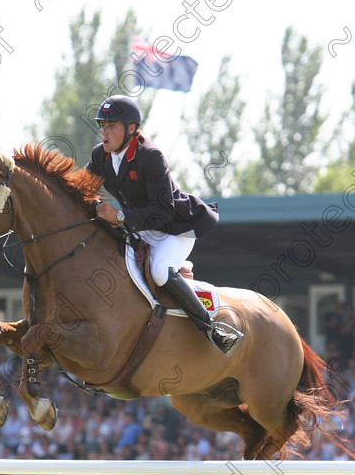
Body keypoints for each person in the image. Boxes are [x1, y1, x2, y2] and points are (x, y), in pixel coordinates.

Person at [86, 95, 243, 356]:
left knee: (159, 271)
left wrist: (121, 217)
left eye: (112, 125)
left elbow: (163, 211)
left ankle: (212, 328)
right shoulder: (99, 155)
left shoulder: (150, 155)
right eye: (102, 125)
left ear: (131, 129)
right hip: (139, 228)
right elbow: (83, 186)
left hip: (173, 228)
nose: (104, 131)